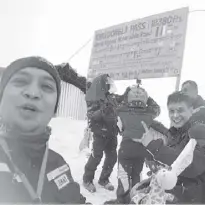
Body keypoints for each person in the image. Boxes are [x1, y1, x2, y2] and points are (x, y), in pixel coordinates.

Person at [0, 56, 86, 203]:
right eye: (20, 81)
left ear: (54, 110)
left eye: (46, 87)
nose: (33, 93)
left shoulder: (58, 164)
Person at [133, 91, 205, 204]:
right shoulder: (176, 134)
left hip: (204, 196)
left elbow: (193, 166)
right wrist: (152, 181)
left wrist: (154, 146)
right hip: (184, 192)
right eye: (172, 111)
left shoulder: (201, 131)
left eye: (180, 110)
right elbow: (172, 168)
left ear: (191, 110)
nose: (175, 115)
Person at [104, 84, 161, 204]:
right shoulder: (150, 113)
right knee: (136, 175)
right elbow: (157, 108)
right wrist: (147, 96)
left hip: (127, 149)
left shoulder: (122, 111)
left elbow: (113, 102)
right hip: (142, 149)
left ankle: (122, 200)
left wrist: (127, 93)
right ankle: (136, 200)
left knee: (124, 176)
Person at [82, 74, 120, 193]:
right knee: (96, 157)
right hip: (100, 133)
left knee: (112, 157)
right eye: (108, 84)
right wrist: (102, 111)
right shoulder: (93, 97)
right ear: (103, 85)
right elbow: (91, 115)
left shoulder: (111, 97)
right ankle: (87, 180)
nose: (110, 86)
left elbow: (119, 106)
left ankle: (104, 179)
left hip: (112, 133)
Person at [181, 80, 205, 146]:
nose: (183, 94)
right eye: (181, 92)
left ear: (195, 92)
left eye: (185, 90)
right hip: (188, 153)